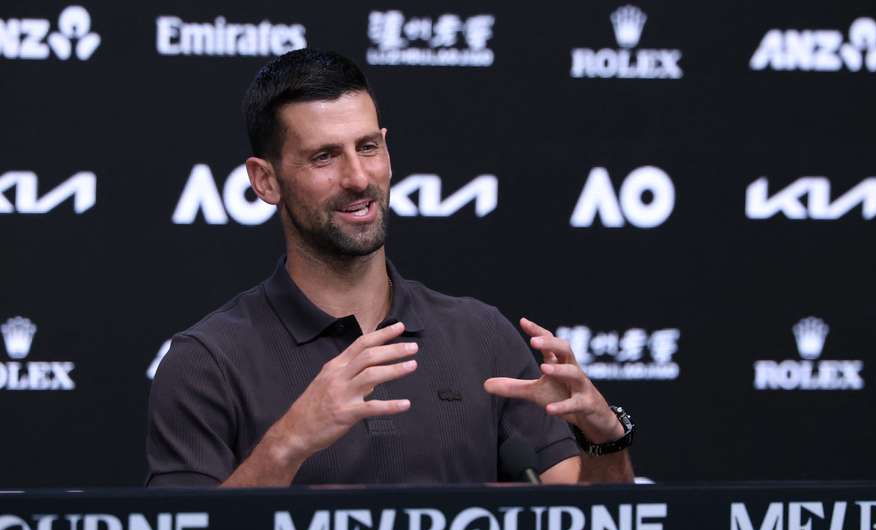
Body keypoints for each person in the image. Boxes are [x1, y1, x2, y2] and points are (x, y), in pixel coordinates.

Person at [146, 49, 634, 487]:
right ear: (265, 180)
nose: (358, 178)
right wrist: (288, 442)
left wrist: (605, 439)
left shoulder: (482, 336)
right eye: (324, 157)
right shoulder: (206, 362)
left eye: (367, 147)